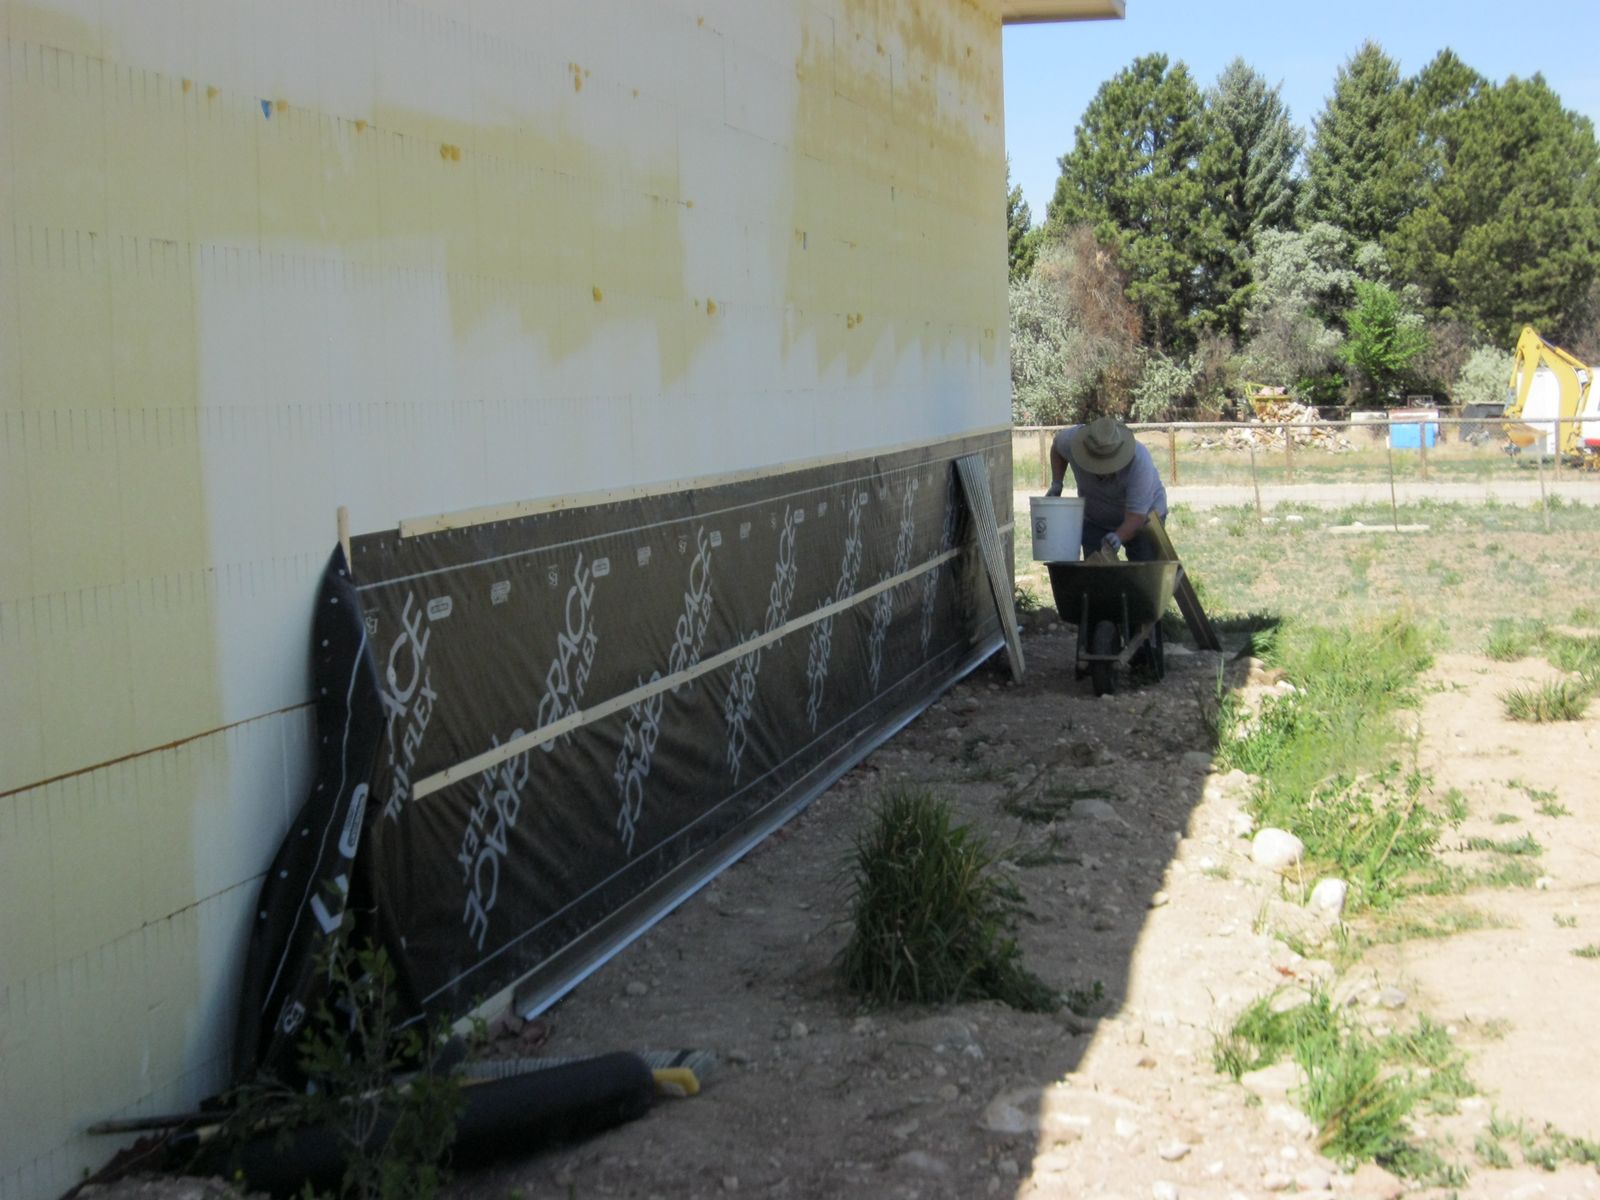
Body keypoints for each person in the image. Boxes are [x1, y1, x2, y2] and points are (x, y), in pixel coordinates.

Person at [1045, 416, 1168, 561]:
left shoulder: (1139, 460)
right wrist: (1057, 484)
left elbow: (1137, 516)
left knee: (1145, 569)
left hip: (1144, 518)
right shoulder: (1072, 441)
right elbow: (1057, 448)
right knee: (1095, 572)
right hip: (1095, 518)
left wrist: (1118, 536)